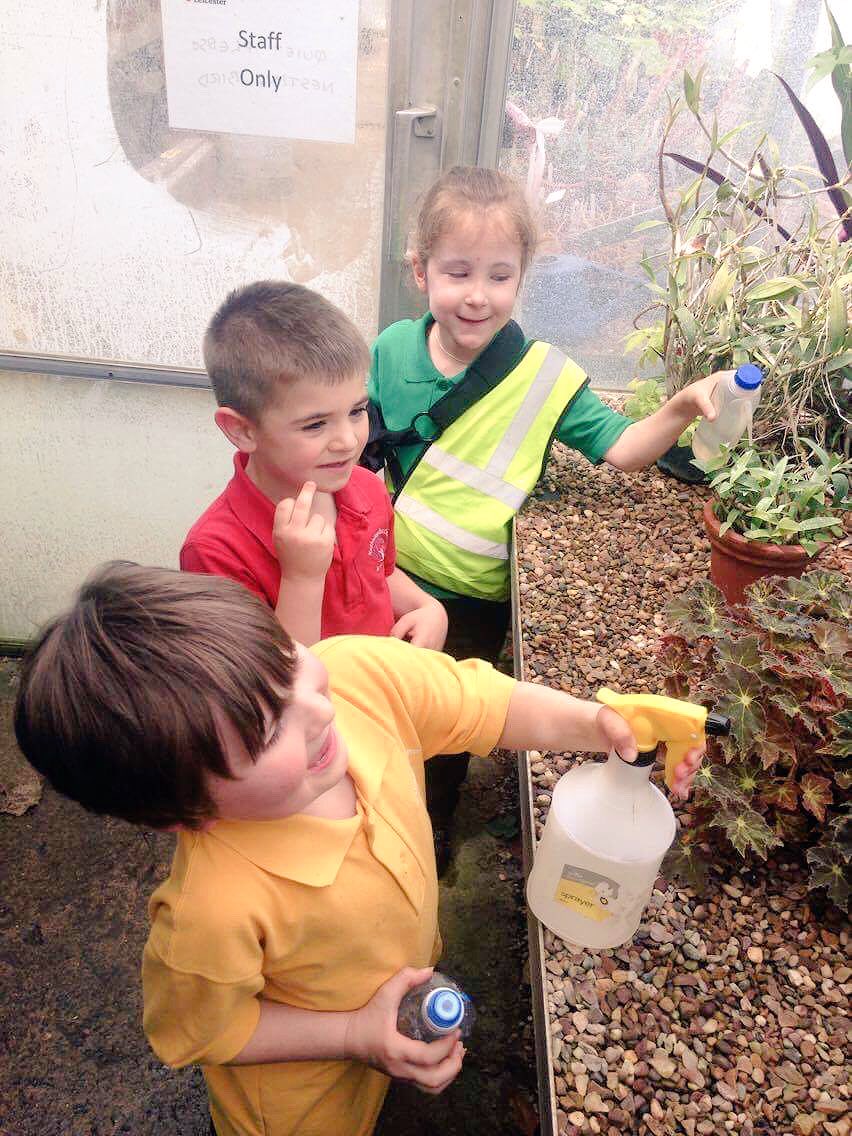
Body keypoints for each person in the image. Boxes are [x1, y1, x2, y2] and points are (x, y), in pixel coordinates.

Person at [13, 562, 705, 1136]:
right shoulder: (212, 910)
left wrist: (603, 725)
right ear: (181, 814)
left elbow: (483, 704)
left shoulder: (354, 675)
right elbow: (201, 1032)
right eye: (262, 733)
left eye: (287, 665)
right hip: (298, 1106)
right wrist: (354, 1036)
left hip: (385, 1021)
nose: (317, 710)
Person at [367, 164, 730, 855]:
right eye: (458, 272)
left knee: (449, 725)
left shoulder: (547, 376)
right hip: (386, 576)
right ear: (421, 272)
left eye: (499, 276)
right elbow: (357, 449)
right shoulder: (388, 350)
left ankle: (430, 828)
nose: (478, 296)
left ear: (523, 275)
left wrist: (681, 405)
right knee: (379, 703)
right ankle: (373, 814)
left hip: (474, 598)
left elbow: (622, 448)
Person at [182, 280, 447, 649]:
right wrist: (301, 578)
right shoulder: (214, 551)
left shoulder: (367, 489)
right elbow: (273, 687)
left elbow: (379, 575)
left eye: (357, 411)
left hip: (383, 693)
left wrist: (428, 607)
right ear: (242, 430)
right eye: (316, 424)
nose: (349, 440)